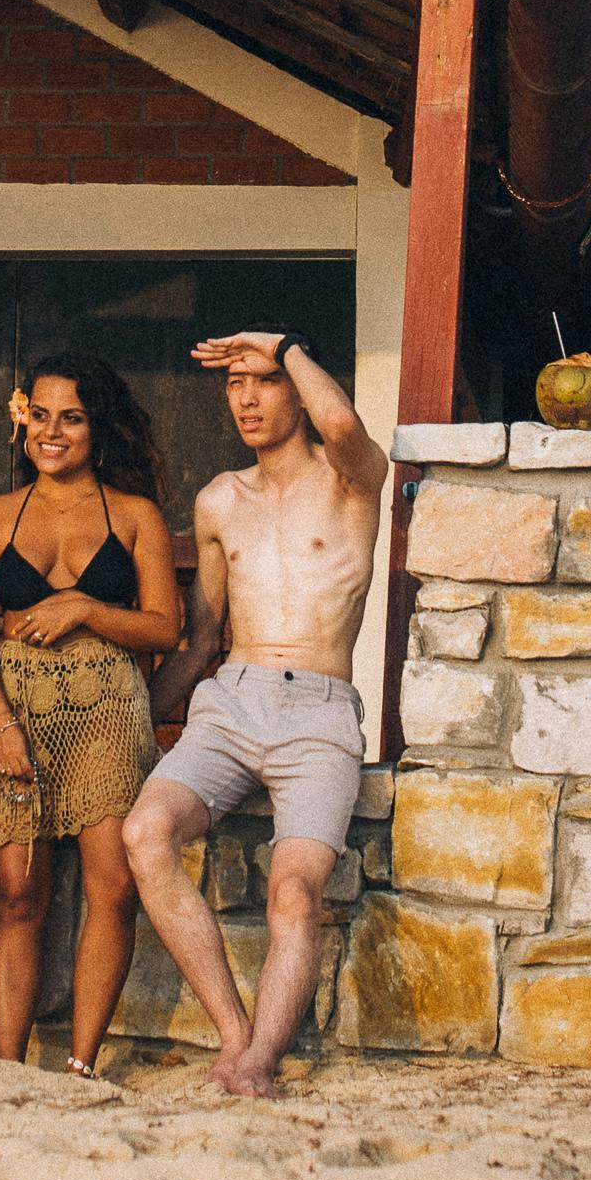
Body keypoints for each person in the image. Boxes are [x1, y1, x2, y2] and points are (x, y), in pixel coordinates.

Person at [122, 330, 385, 1096]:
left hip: (320, 710)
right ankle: (235, 1034)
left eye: (263, 380)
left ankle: (260, 1060)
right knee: (146, 831)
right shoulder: (218, 500)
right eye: (234, 383)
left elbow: (342, 428)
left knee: (295, 891)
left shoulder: (350, 482)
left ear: (297, 390)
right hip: (231, 701)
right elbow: (202, 635)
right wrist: (137, 718)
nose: (244, 398)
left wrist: (288, 343)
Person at [0, 352, 182, 1074]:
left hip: (109, 708)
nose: (53, 431)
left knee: (112, 885)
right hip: (15, 705)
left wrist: (86, 606)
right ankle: (8, 1064)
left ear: (98, 428)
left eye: (73, 417)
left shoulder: (135, 514)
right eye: (42, 414)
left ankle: (82, 1065)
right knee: (20, 892)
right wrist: (2, 724)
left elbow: (163, 629)